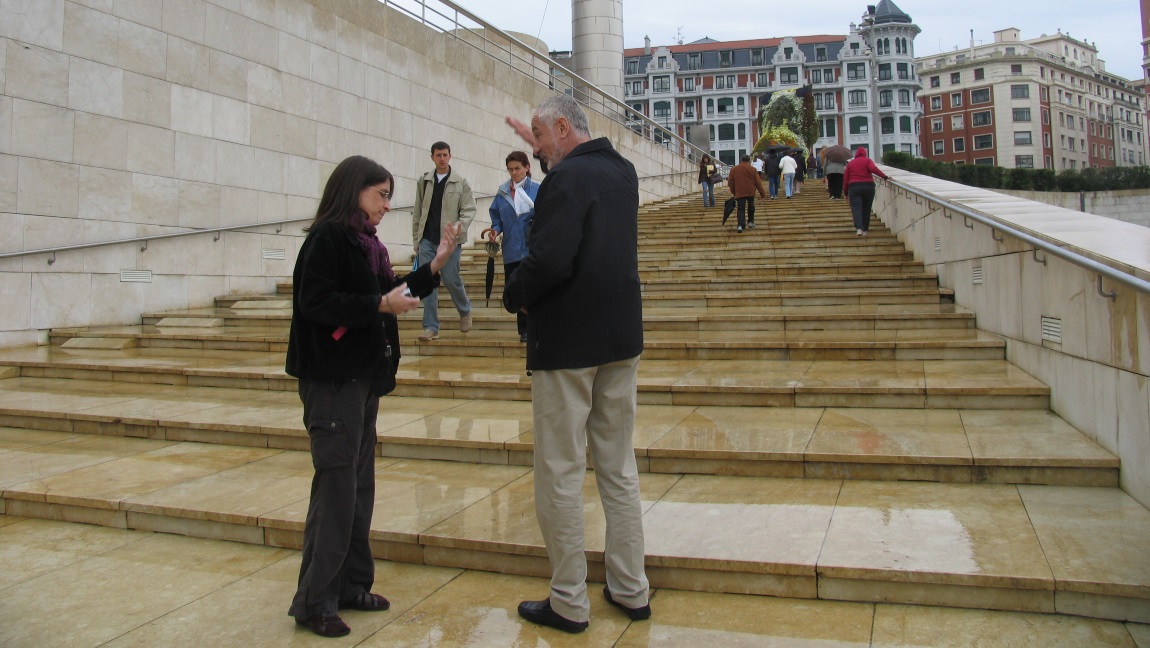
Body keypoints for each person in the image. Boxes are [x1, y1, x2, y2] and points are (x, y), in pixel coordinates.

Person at [285, 155, 461, 638]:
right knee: (337, 491)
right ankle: (315, 600)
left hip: (360, 380)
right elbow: (316, 303)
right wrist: (378, 305)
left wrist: (436, 266)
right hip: (333, 382)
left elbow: (391, 290)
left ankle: (350, 586)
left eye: (388, 196)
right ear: (354, 190)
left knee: (358, 487)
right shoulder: (328, 239)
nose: (387, 205)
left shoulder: (366, 246)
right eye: (380, 195)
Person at [503, 94, 650, 634]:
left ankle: (568, 600)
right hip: (619, 340)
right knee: (617, 466)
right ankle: (630, 588)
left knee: (561, 471)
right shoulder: (623, 171)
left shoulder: (565, 181)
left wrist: (513, 293)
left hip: (568, 345)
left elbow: (549, 262)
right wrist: (541, 141)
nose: (536, 152)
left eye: (540, 141)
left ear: (563, 128)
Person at [411, 141, 476, 341]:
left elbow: (469, 209)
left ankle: (465, 310)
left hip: (450, 240)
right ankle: (430, 326)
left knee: (450, 277)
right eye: (438, 155)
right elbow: (417, 211)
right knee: (427, 282)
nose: (442, 158)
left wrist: (459, 227)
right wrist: (416, 238)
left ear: (450, 156)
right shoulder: (424, 181)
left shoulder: (460, 182)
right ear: (432, 157)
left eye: (445, 155)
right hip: (427, 240)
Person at [487, 150, 540, 342]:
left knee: (532, 287)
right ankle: (524, 329)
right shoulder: (502, 193)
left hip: (531, 249)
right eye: (510, 169)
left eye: (518, 168)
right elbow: (497, 218)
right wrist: (495, 230)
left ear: (527, 167)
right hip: (511, 249)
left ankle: (535, 325)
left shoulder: (537, 189)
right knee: (516, 289)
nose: (514, 172)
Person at [842, 147, 889, 237]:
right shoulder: (868, 161)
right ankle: (865, 229)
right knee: (866, 209)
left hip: (854, 187)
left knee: (856, 208)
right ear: (865, 153)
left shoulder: (851, 164)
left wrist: (846, 193)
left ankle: (859, 228)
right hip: (868, 186)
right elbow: (873, 169)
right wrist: (884, 177)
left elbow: (846, 179)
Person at [727, 154, 767, 233]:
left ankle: (740, 225)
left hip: (739, 191)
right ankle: (751, 222)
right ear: (749, 161)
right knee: (751, 206)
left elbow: (730, 182)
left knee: (740, 208)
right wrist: (762, 194)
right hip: (750, 191)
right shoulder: (752, 169)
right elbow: (758, 182)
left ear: (741, 160)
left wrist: (734, 191)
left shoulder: (734, 169)